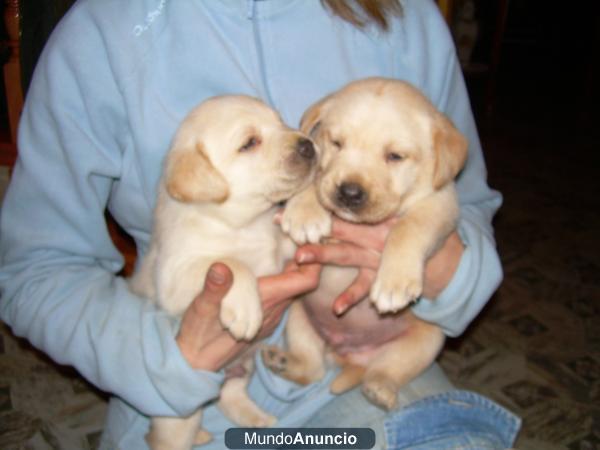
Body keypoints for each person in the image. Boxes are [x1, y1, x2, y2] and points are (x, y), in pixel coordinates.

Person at [0, 0, 514, 448]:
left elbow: (464, 201)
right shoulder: (104, 32)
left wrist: (438, 262)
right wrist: (170, 359)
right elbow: (34, 267)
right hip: (182, 393)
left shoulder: (406, 15)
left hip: (362, 376)